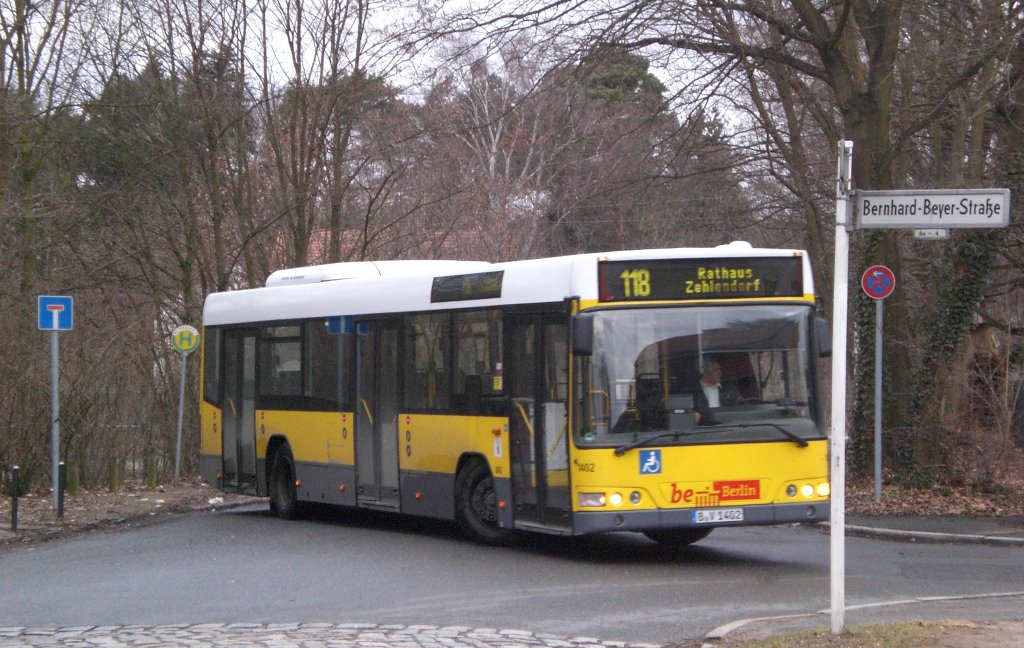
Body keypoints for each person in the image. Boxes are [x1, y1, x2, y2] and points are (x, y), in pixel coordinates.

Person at [693, 357, 722, 425]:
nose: (720, 372)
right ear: (705, 373)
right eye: (716, 370)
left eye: (720, 369)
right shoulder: (693, 391)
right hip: (703, 430)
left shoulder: (728, 389)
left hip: (728, 428)